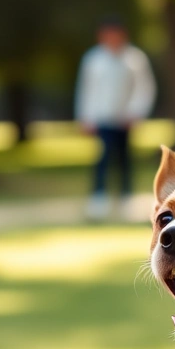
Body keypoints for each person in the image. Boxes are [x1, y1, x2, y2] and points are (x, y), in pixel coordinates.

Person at [74, 18, 156, 219]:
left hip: (124, 119)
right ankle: (99, 198)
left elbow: (144, 88)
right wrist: (85, 117)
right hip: (101, 118)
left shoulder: (134, 58)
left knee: (124, 158)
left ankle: (126, 198)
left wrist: (135, 112)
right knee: (103, 157)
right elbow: (86, 90)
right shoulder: (93, 59)